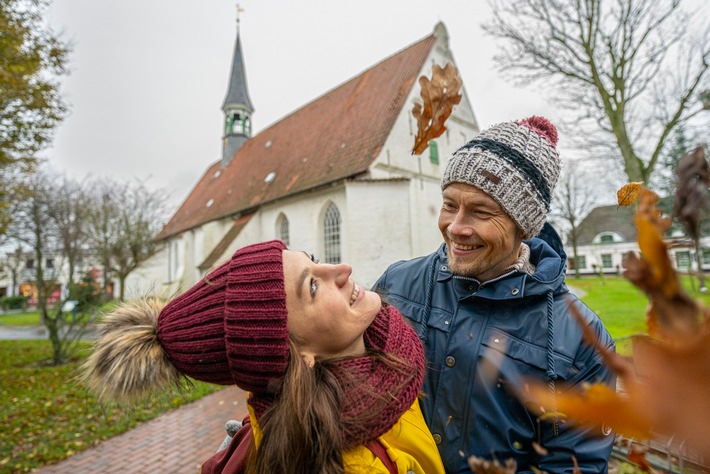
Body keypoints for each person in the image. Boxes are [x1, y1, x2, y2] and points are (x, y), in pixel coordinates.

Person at [373, 116, 616, 473]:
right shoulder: (397, 284)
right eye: (449, 205)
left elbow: (571, 465)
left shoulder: (580, 339)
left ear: (524, 225)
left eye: (481, 212)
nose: (455, 227)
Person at [81, 240, 445, 474]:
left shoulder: (384, 368)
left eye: (314, 261)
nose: (342, 269)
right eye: (313, 286)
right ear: (299, 355)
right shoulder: (353, 464)